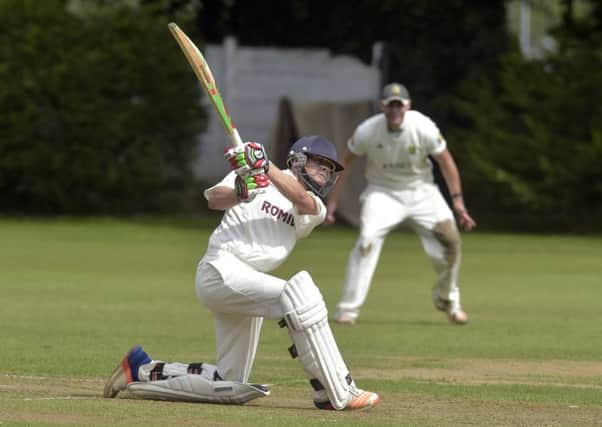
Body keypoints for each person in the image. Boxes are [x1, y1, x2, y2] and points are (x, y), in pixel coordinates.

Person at [103, 135, 380, 411]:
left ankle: (140, 369)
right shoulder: (249, 173)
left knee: (230, 382)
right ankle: (335, 391)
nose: (324, 172)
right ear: (298, 160)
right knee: (301, 295)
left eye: (329, 169)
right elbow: (213, 199)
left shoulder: (313, 206)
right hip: (221, 269)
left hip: (247, 282)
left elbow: (301, 200)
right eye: (319, 163)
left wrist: (266, 166)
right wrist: (241, 192)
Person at [326, 83, 476, 325]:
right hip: (382, 193)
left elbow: (446, 162)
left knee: (451, 241)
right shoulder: (367, 131)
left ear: (407, 105)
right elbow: (344, 162)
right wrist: (331, 204)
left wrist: (458, 202)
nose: (395, 110)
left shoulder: (423, 127)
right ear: (382, 106)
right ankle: (348, 310)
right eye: (390, 105)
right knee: (367, 240)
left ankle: (448, 301)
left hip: (422, 191)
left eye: (399, 105)